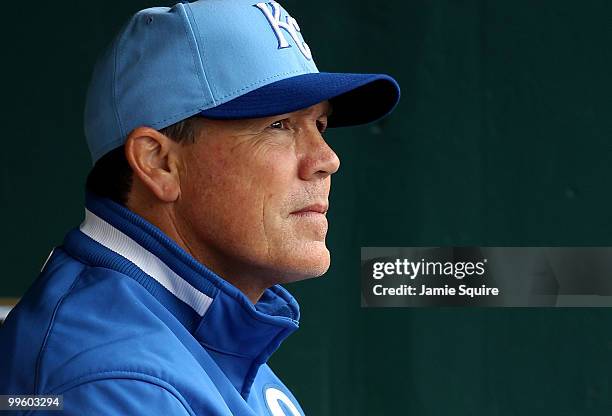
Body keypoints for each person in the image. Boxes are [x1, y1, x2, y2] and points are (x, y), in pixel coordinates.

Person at [0, 0, 399, 414]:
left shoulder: (198, 331)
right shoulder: (115, 379)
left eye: (319, 125)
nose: (327, 159)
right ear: (159, 162)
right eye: (279, 125)